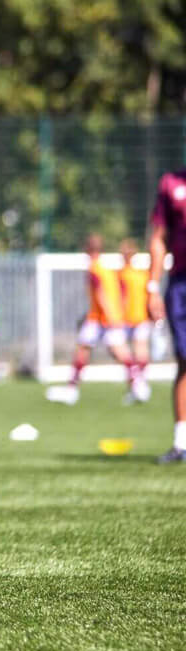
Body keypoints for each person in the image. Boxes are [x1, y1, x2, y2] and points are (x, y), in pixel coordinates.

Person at [54, 233, 139, 404]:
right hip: (108, 317)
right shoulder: (106, 269)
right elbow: (121, 291)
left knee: (88, 349)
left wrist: (108, 314)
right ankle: (138, 385)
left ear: (87, 249)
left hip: (101, 318)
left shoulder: (94, 269)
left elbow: (101, 294)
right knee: (116, 351)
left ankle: (72, 390)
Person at [148, 167, 186, 463]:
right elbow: (159, 238)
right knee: (185, 359)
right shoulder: (171, 183)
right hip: (181, 284)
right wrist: (152, 286)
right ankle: (181, 443)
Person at [118, 239, 152, 403]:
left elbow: (121, 298)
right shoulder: (143, 274)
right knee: (140, 351)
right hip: (142, 316)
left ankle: (137, 385)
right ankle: (139, 385)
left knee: (127, 354)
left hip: (127, 317)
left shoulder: (122, 274)